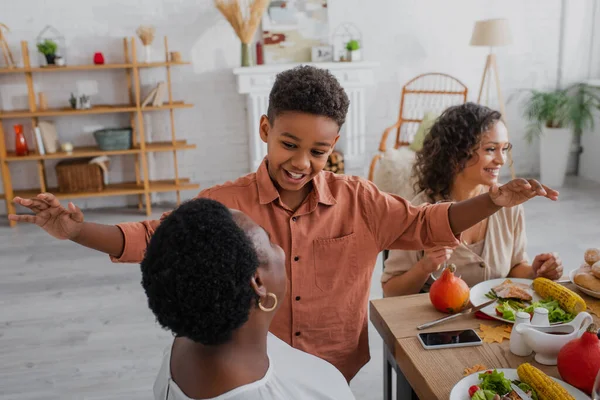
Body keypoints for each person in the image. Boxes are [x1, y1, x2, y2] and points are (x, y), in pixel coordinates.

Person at [9, 66, 559, 382]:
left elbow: (426, 223)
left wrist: (495, 200)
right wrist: (78, 229)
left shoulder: (361, 200)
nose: (301, 161)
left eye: (318, 151)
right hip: (250, 369)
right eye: (288, 144)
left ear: (334, 146)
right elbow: (151, 239)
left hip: (333, 365)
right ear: (266, 129)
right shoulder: (224, 202)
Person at [143, 198, 355, 400]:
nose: (281, 251)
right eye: (270, 241)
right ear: (258, 282)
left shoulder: (182, 347)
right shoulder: (312, 392)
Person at [382, 103, 564, 297]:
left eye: (504, 149)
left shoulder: (508, 205)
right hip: (436, 324)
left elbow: (515, 267)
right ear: (457, 154)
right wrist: (425, 266)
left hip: (493, 324)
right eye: (491, 149)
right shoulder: (419, 212)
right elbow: (391, 291)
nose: (501, 160)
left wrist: (536, 272)